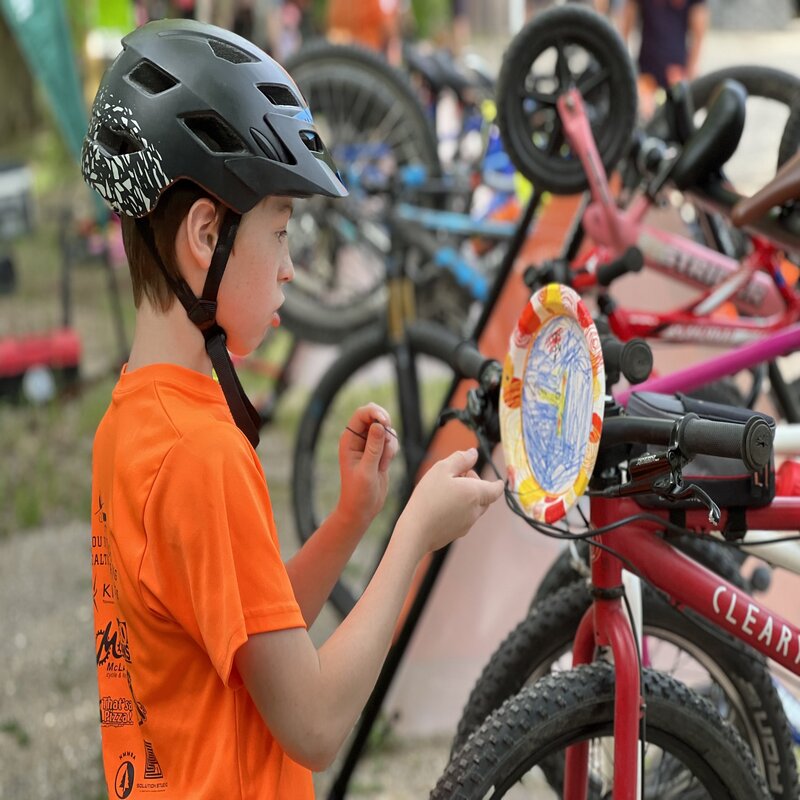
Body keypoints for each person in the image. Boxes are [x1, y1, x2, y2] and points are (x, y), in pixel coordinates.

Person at [82, 17, 503, 800]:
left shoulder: (134, 424)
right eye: (280, 232)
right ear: (207, 235)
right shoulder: (201, 454)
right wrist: (412, 533)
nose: (289, 268)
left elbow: (247, 629)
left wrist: (349, 521)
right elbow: (310, 721)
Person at [620, 0, 710, 118]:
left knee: (677, 121)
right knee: (644, 119)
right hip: (646, 77)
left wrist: (690, 76)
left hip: (677, 75)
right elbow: (625, 29)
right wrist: (632, 77)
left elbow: (699, 34)